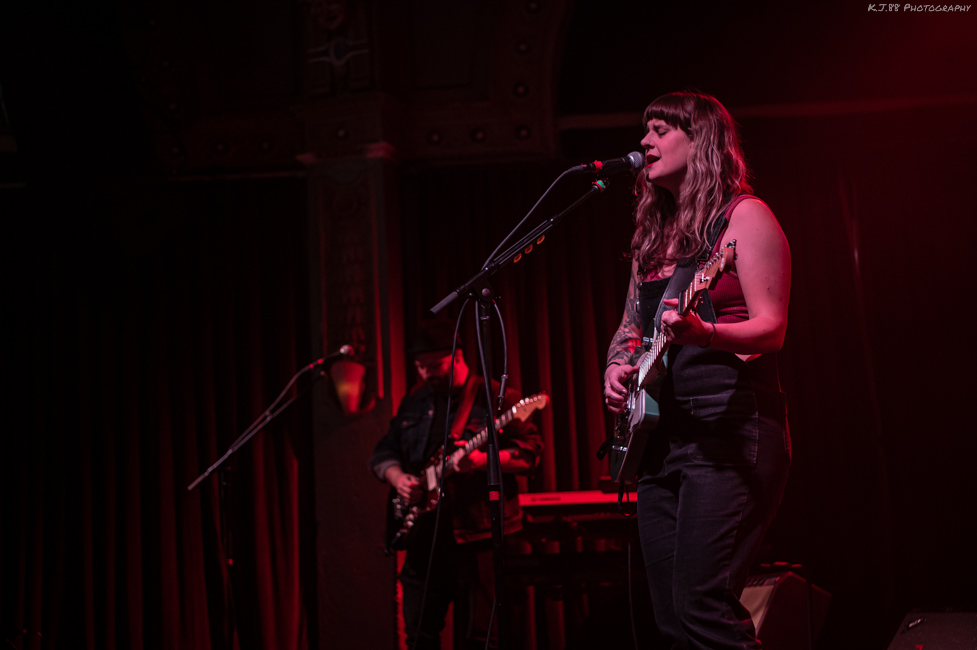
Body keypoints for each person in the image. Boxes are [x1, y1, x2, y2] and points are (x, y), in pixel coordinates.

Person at [603, 91, 791, 649]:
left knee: (702, 606)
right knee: (672, 621)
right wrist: (616, 368)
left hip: (730, 430)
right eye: (645, 130)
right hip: (664, 442)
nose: (645, 141)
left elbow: (772, 328)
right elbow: (629, 328)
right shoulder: (651, 240)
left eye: (660, 129)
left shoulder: (745, 217)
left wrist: (705, 334)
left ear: (700, 138)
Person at [370, 320, 543, 650]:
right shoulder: (416, 401)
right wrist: (398, 478)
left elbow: (531, 455)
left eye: (434, 365)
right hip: (425, 536)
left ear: (457, 356)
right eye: (420, 367)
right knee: (419, 633)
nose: (425, 374)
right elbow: (384, 451)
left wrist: (480, 462)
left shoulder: (495, 396)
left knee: (484, 636)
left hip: (477, 537)